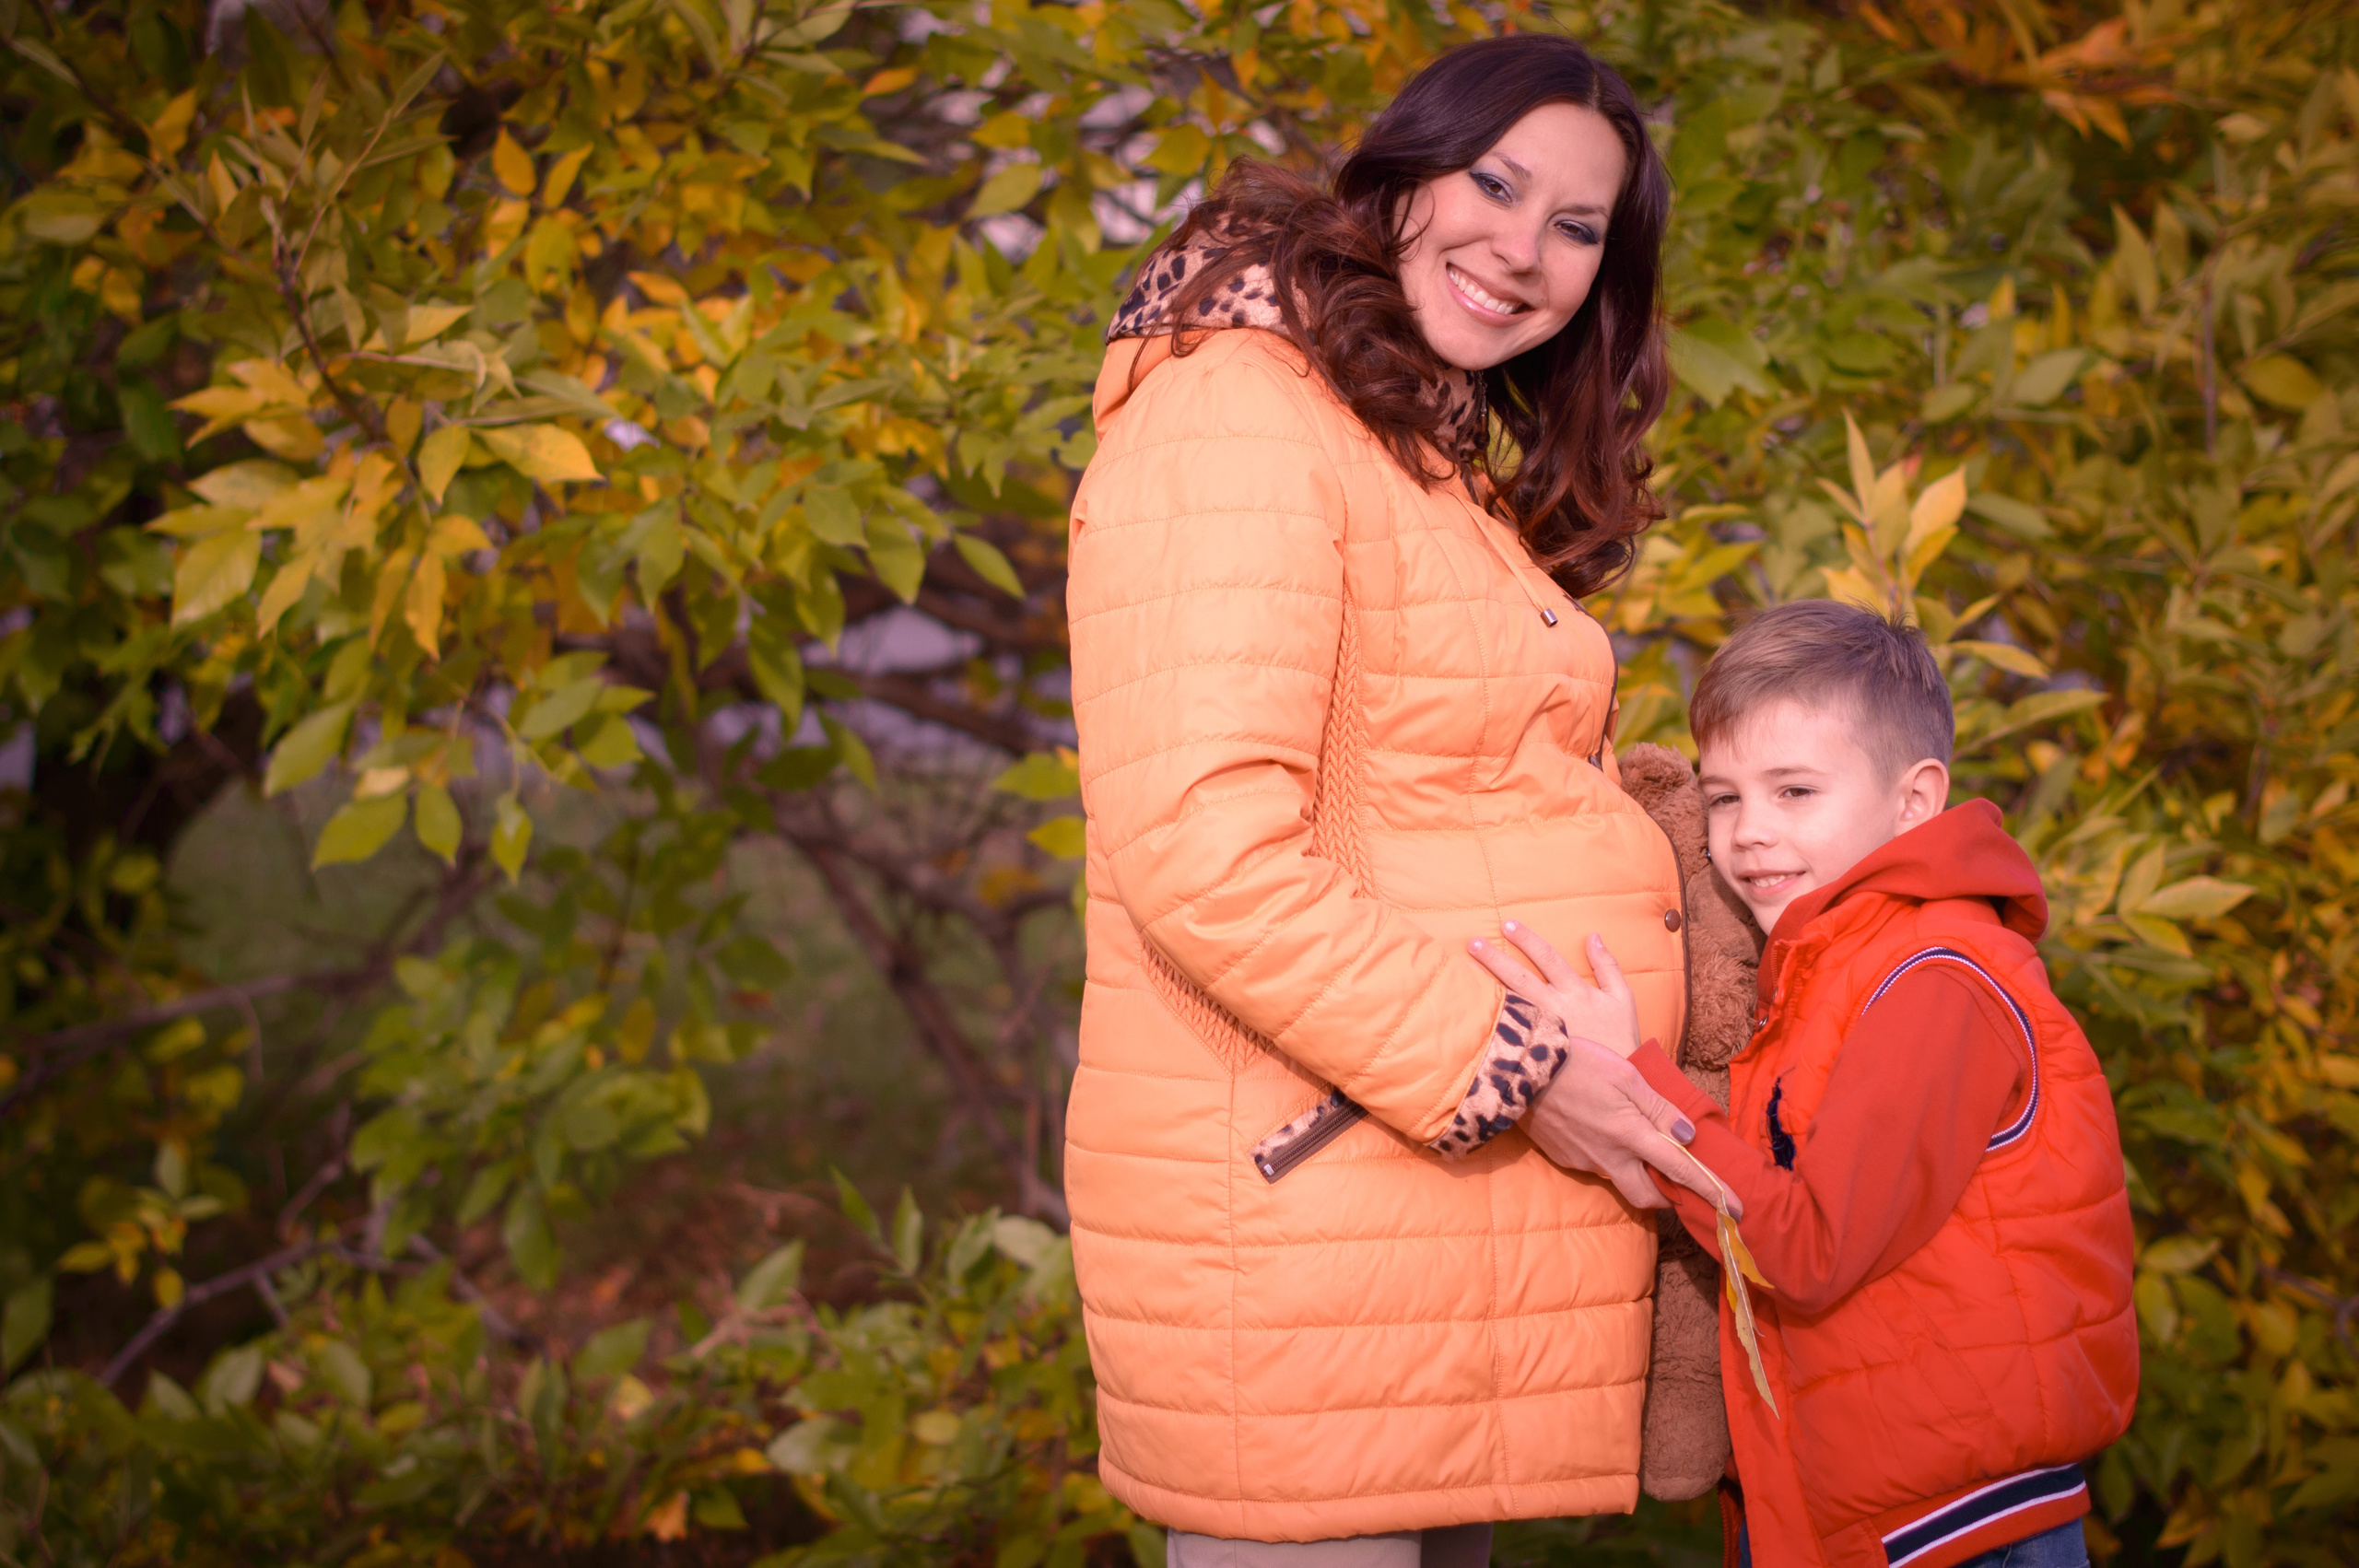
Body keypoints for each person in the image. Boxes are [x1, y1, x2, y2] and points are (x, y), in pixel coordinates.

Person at [1064, 32, 1725, 1563]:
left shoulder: (1418, 453)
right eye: (1497, 185)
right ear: (1402, 173)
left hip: (1421, 1233)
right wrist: (1518, 1067)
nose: (1527, 250)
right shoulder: (1240, 413)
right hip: (1318, 1225)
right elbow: (1203, 850)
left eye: (1579, 229)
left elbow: (1434, 783)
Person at [1472, 600, 2140, 1568]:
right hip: (1850, 1506)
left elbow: (1811, 1245)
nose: (1748, 834)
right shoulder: (1825, 966)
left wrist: (1634, 1077)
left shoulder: (1936, 979)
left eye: (1794, 791)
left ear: (1913, 802)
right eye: (1725, 797)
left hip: (1955, 1528)